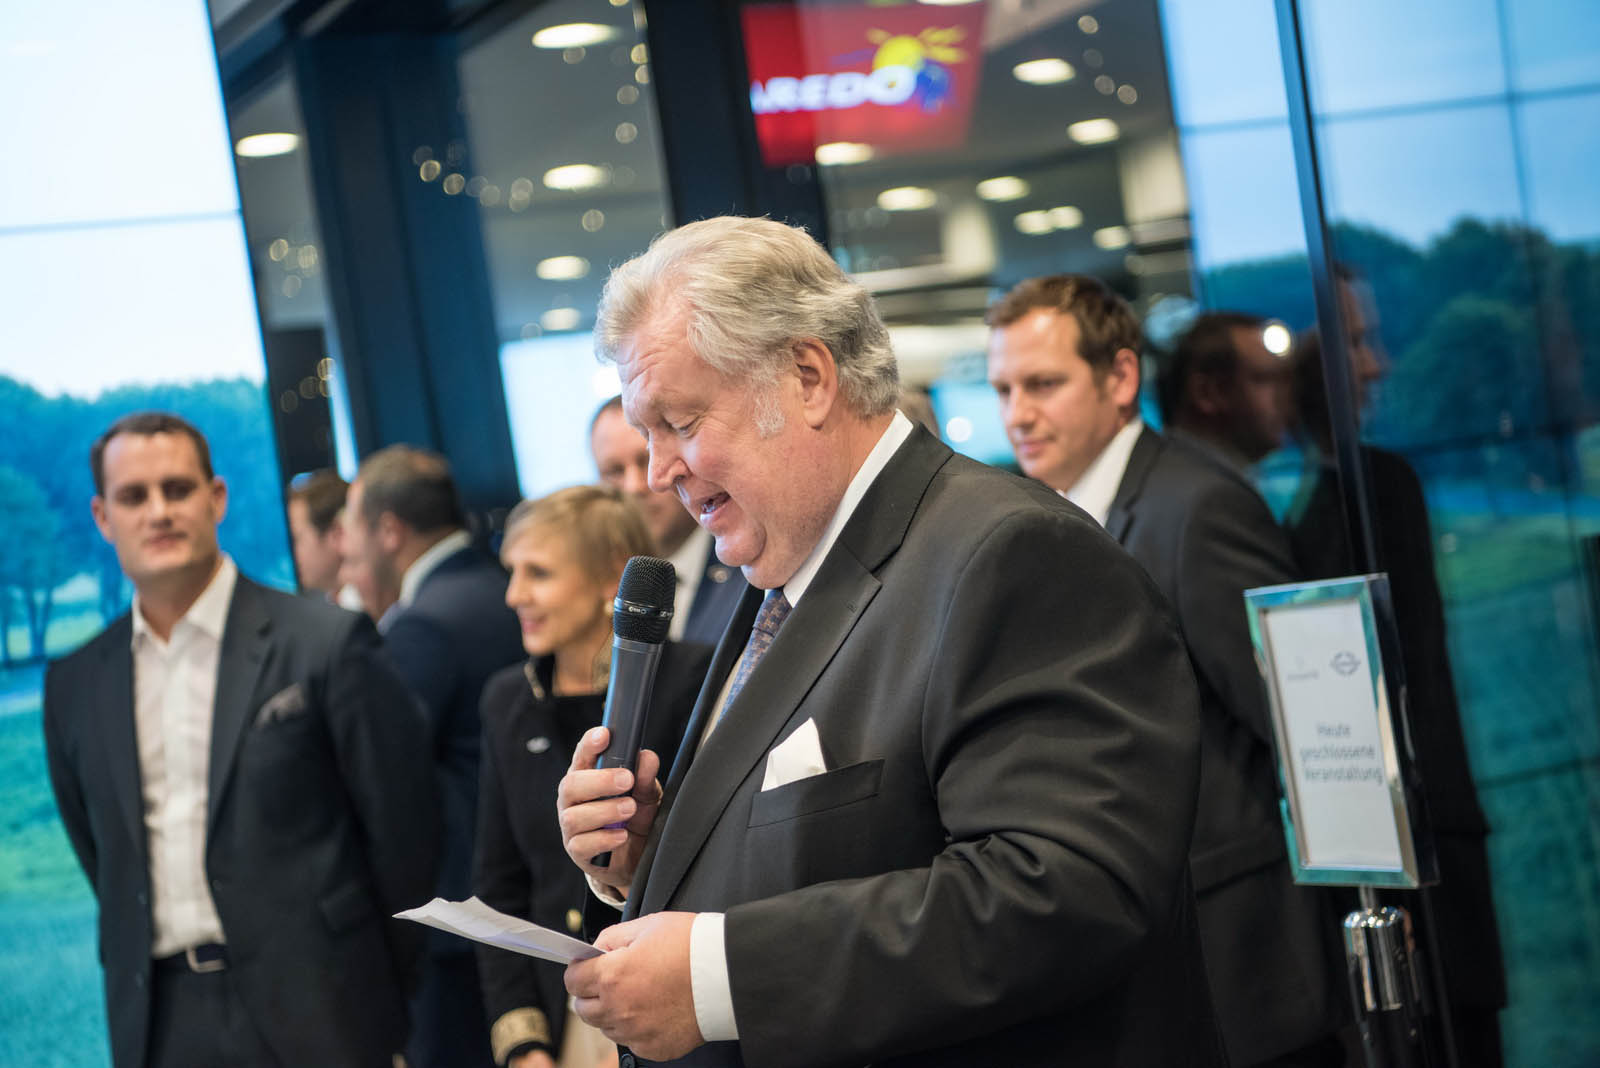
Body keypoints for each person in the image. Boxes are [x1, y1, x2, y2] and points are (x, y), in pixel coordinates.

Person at [554, 216, 1220, 1068]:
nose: (656, 471)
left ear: (808, 378)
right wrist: (663, 852)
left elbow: (1066, 890)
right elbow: (851, 840)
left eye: (680, 421)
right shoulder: (782, 573)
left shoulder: (1013, 553)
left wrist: (721, 977)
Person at [986, 275, 1347, 1067]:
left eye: (1043, 384)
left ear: (1121, 377)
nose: (1017, 414)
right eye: (1004, 389)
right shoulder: (1049, 515)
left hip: (1244, 962)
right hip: (1143, 965)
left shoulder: (1197, 508)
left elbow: (1304, 731)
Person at [43, 411, 438, 1068]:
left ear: (216, 498)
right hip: (161, 1019)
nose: (159, 512)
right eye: (134, 496)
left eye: (177, 489)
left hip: (326, 1007)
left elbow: (405, 834)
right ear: (103, 517)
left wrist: (374, 989)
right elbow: (102, 854)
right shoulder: (75, 683)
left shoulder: (325, 642)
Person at [1288, 280, 1506, 1066]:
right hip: (1401, 856)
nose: (1376, 365)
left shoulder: (1363, 486)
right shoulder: (1344, 492)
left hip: (1419, 847)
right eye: (1354, 342)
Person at [475, 485, 710, 1068]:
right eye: (511, 571)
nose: (513, 595)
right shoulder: (507, 699)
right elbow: (501, 883)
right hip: (560, 1015)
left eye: (538, 573)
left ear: (612, 579)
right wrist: (523, 1043)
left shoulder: (697, 680)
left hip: (675, 1006)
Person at [343, 444, 526, 1068]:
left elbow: (381, 774)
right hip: (522, 893)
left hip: (457, 916)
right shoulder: (500, 586)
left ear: (389, 531)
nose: (345, 545)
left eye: (351, 524)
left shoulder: (423, 625)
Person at [590, 397, 745, 646]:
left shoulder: (747, 567)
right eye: (615, 471)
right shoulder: (593, 587)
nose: (634, 487)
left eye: (646, 460)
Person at [1160, 311, 1295, 468]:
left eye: (1284, 381)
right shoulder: (1178, 476)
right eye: (1264, 379)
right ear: (1206, 392)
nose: (1285, 396)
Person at [285, 468, 363, 609]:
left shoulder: (366, 608)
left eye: (297, 539)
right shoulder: (331, 606)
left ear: (337, 534)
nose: (291, 553)